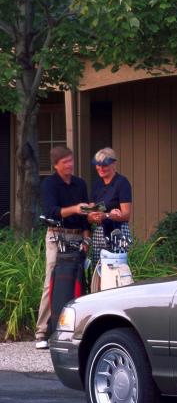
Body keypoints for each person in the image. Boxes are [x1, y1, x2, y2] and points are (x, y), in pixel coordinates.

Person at [35, 146, 90, 349]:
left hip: (77, 235)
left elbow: (85, 218)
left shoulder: (80, 183)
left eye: (71, 160)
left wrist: (87, 239)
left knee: (79, 279)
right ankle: (41, 332)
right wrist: (75, 208)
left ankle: (76, 329)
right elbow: (52, 211)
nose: (70, 165)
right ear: (56, 164)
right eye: (65, 162)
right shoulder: (49, 184)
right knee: (52, 280)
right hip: (56, 235)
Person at [86, 147, 133, 277]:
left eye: (104, 165)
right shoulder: (96, 185)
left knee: (116, 270)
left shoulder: (122, 183)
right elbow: (90, 213)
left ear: (113, 164)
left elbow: (126, 214)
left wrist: (107, 215)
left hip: (117, 231)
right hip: (100, 231)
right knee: (98, 270)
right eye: (98, 165)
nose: (100, 168)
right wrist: (92, 216)